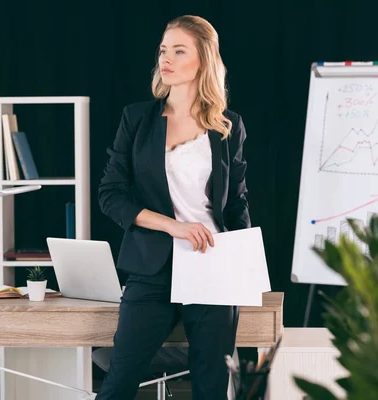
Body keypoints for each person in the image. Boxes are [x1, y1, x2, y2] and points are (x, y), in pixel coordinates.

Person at [96, 14, 251, 400]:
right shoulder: (137, 120)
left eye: (179, 50)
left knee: (211, 385)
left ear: (203, 59)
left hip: (211, 265)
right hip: (151, 267)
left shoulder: (227, 127)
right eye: (164, 50)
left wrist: (246, 268)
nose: (166, 58)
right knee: (119, 380)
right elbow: (111, 194)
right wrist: (173, 226)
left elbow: (236, 204)